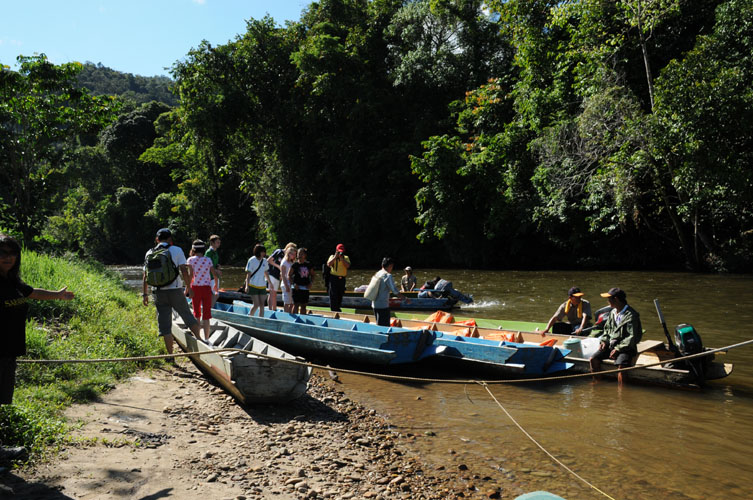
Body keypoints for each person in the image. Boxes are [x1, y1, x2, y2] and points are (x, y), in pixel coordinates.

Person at [1, 234, 75, 409]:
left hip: (9, 350)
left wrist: (57, 295)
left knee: (2, 399)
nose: (8, 257)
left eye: (12, 253)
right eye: (2, 252)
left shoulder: (12, 281)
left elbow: (32, 293)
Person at [143, 228, 202, 356]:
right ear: (170, 239)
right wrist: (189, 287)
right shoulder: (176, 250)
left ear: (157, 239)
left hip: (158, 293)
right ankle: (201, 342)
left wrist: (145, 295)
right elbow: (184, 271)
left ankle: (171, 356)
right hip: (175, 290)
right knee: (187, 316)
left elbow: (145, 276)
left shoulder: (149, 253)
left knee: (165, 326)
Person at [588, 287, 642, 386]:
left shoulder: (631, 315)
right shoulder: (612, 312)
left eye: (609, 299)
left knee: (621, 366)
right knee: (593, 359)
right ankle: (598, 383)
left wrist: (617, 349)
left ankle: (621, 392)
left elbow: (632, 337)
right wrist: (604, 341)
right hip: (612, 344)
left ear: (616, 299)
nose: (608, 301)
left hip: (626, 347)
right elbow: (607, 330)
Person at [186, 240, 219, 340]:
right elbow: (214, 274)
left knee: (197, 313)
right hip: (206, 288)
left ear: (193, 249)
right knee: (206, 314)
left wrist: (187, 288)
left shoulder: (190, 260)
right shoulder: (208, 260)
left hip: (195, 288)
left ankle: (198, 337)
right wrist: (216, 285)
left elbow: (190, 275)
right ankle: (207, 338)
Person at [370, 257, 405, 327]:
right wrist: (404, 298)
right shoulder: (387, 275)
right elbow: (394, 290)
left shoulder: (377, 273)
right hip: (383, 306)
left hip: (374, 304)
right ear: (390, 266)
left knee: (379, 325)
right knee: (384, 327)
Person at [267, 242, 296, 312]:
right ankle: (271, 310)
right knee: (272, 292)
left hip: (278, 275)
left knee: (275, 293)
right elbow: (269, 260)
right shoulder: (279, 252)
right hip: (273, 273)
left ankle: (274, 309)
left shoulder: (288, 259)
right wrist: (278, 267)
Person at [244, 244, 270, 317]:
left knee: (262, 304)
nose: (264, 253)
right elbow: (248, 274)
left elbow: (266, 273)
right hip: (253, 285)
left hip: (262, 285)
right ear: (258, 252)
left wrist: (270, 282)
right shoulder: (251, 260)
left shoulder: (265, 261)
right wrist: (247, 286)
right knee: (256, 304)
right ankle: (250, 316)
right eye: (263, 252)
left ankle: (260, 319)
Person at [290, 247, 314, 315]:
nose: (300, 255)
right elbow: (289, 275)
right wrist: (294, 284)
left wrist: (311, 283)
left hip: (305, 288)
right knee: (296, 305)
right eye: (298, 254)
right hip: (296, 288)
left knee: (304, 306)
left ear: (305, 255)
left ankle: (302, 320)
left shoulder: (308, 264)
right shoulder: (295, 265)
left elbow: (313, 275)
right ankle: (295, 320)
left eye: (301, 254)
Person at [326, 243, 350, 311]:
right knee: (333, 295)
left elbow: (348, 266)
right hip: (334, 278)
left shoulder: (346, 258)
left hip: (342, 279)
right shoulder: (332, 256)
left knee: (340, 294)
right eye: (339, 251)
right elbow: (328, 264)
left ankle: (338, 308)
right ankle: (334, 310)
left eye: (341, 251)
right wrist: (335, 257)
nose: (340, 253)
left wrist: (342, 259)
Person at [205, 234, 221, 305]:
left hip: (214, 277)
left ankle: (209, 309)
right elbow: (206, 265)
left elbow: (214, 264)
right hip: (209, 277)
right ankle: (210, 310)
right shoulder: (209, 252)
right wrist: (216, 270)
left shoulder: (215, 252)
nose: (219, 244)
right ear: (212, 243)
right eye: (217, 242)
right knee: (216, 295)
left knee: (214, 295)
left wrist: (218, 266)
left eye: (219, 242)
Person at [280, 246, 297, 313]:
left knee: (292, 302)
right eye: (293, 254)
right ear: (289, 254)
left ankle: (290, 313)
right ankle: (286, 314)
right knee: (287, 302)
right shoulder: (284, 262)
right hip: (285, 284)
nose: (294, 256)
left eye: (295, 254)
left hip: (291, 283)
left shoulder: (291, 262)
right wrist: (286, 286)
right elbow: (283, 275)